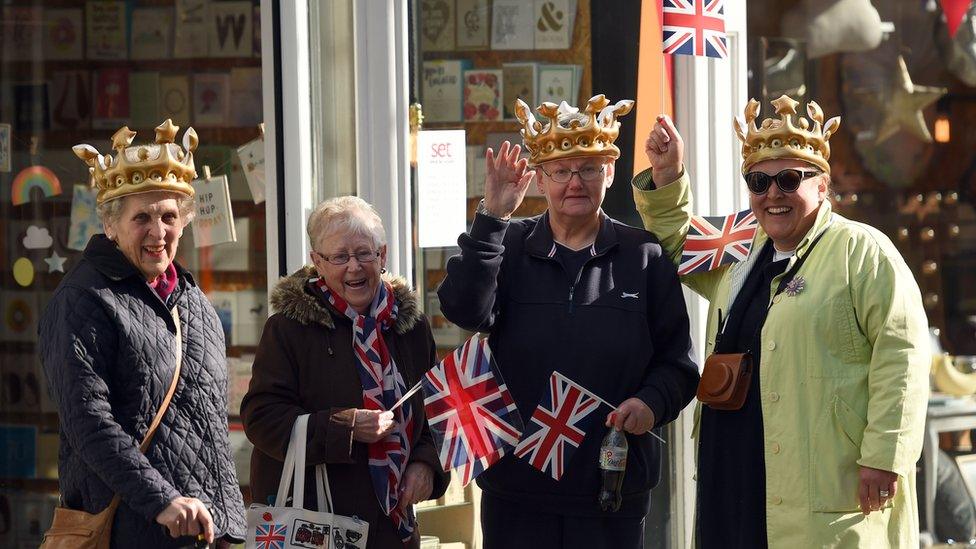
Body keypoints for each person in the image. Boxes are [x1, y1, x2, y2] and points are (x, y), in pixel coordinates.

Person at [633, 95, 930, 547]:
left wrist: (885, 455)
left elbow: (902, 355)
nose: (773, 193)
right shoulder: (740, 250)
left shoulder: (862, 251)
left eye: (789, 180)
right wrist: (668, 176)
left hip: (826, 478)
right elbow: (677, 240)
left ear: (822, 186)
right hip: (732, 469)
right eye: (759, 180)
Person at [437, 95, 700, 549]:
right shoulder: (510, 244)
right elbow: (463, 310)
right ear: (540, 178)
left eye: (589, 169)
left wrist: (650, 404)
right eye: (561, 171)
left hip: (610, 487)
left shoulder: (644, 255)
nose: (575, 183)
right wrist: (493, 216)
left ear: (611, 173)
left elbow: (678, 365)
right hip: (517, 487)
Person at [39, 120, 246, 547]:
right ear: (111, 225)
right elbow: (89, 424)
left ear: (185, 222)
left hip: (204, 534)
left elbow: (209, 423)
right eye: (142, 218)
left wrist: (230, 523)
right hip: (129, 531)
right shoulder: (83, 300)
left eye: (169, 216)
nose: (158, 232)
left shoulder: (193, 300)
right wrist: (162, 501)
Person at [241, 196, 449, 548]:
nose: (354, 267)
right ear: (317, 263)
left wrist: (426, 464)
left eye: (364, 253)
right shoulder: (288, 329)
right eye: (339, 257)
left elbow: (438, 413)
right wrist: (345, 427)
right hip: (317, 528)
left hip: (393, 528)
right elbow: (261, 420)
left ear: (382, 257)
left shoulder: (411, 328)